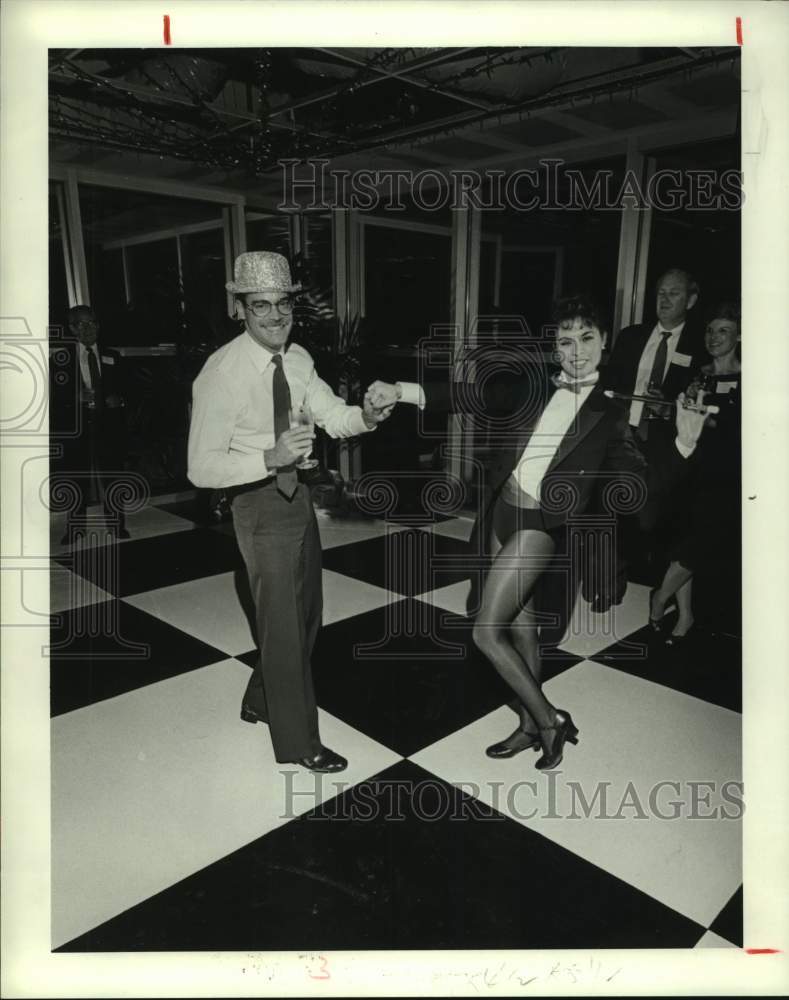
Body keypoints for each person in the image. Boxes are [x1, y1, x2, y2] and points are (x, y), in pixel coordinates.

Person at [366, 295, 711, 770]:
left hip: (539, 528)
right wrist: (399, 389)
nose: (576, 350)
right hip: (500, 514)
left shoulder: (610, 417)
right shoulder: (533, 389)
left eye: (587, 338)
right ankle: (530, 727)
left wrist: (683, 444)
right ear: (553, 347)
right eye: (566, 340)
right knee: (520, 627)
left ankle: (551, 720)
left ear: (604, 341)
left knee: (487, 632)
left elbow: (639, 487)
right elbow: (469, 394)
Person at [187, 251, 392, 774]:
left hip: (297, 494)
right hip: (254, 500)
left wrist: (365, 416)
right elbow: (200, 468)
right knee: (280, 622)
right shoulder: (222, 374)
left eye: (283, 305)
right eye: (261, 307)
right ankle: (299, 741)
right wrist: (268, 458)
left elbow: (333, 415)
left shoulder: (298, 360)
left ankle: (261, 699)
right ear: (240, 309)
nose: (275, 317)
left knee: (305, 614)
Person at [649, 301, 742, 645]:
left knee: (698, 547)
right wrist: (666, 407)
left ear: (739, 336)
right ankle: (685, 616)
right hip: (690, 469)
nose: (714, 337)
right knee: (682, 544)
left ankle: (659, 598)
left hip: (725, 477)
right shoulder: (697, 374)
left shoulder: (749, 379)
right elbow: (681, 422)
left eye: (724, 331)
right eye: (710, 330)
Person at [51, 305, 129, 544]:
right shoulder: (60, 360)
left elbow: (129, 389)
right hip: (79, 428)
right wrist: (75, 398)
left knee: (113, 477)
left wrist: (121, 399)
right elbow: (52, 397)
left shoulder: (112, 356)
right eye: (82, 324)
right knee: (76, 479)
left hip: (108, 427)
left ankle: (117, 526)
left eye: (92, 323)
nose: (88, 329)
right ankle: (75, 530)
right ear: (72, 328)